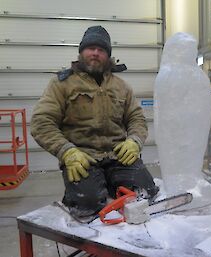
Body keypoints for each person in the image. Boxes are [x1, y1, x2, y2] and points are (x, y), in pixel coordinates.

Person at [30, 26, 158, 218]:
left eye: (101, 50)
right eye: (91, 48)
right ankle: (84, 191)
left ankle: (111, 185)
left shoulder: (121, 86)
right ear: (81, 52)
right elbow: (42, 122)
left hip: (118, 156)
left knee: (145, 194)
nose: (95, 53)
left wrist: (134, 141)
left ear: (108, 55)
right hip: (83, 159)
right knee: (87, 206)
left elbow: (136, 118)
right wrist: (67, 152)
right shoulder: (61, 84)